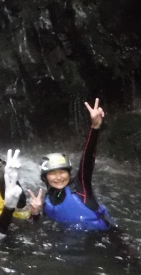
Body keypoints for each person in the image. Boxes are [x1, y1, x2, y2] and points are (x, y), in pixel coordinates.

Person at [27, 99, 113, 231]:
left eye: (62, 172)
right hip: (76, 244)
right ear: (45, 178)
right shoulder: (48, 200)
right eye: (52, 173)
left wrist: (95, 127)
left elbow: (88, 157)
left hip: (105, 238)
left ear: (69, 173)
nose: (58, 177)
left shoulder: (81, 186)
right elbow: (36, 226)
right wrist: (35, 213)